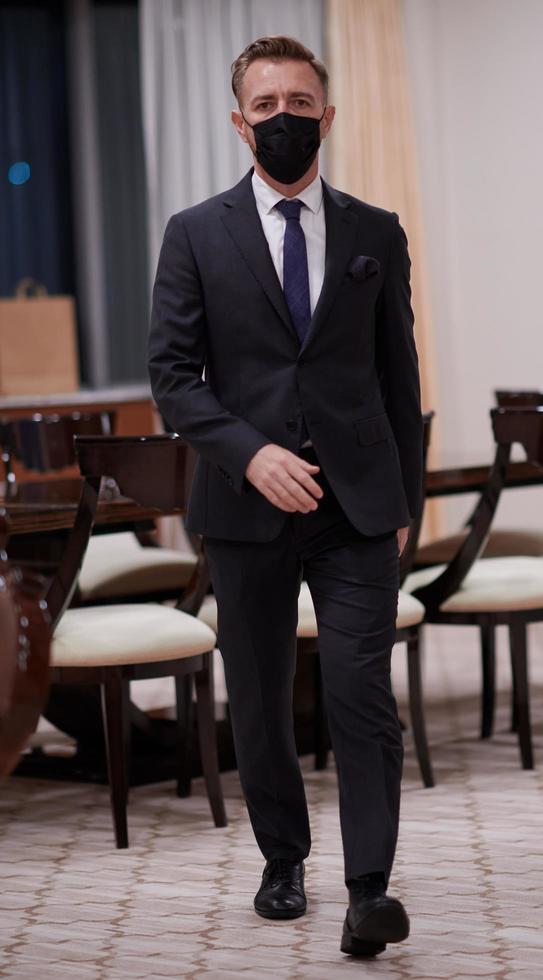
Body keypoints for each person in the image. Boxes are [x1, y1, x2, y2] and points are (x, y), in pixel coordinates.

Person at [148, 35, 423, 958]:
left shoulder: (374, 232)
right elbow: (174, 378)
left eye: (298, 104)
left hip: (355, 510)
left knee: (360, 695)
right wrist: (247, 452)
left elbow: (398, 376)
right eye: (264, 106)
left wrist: (403, 507)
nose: (282, 119)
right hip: (243, 508)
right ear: (238, 122)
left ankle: (368, 891)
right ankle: (282, 861)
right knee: (260, 698)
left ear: (327, 116)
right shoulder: (194, 233)